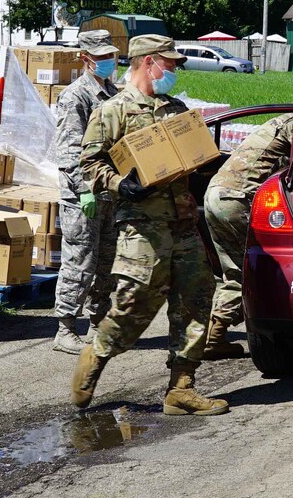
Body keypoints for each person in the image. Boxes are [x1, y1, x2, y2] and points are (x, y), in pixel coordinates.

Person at [71, 34, 228, 416]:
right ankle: (95, 359)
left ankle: (181, 389)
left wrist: (210, 161)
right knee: (132, 304)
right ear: (148, 62)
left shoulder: (175, 109)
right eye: (169, 64)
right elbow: (89, 164)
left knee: (196, 301)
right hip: (142, 226)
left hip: (184, 223)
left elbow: (192, 155)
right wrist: (119, 184)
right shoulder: (114, 110)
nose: (173, 70)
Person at [202, 113, 293, 360]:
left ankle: (215, 335)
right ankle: (216, 333)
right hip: (237, 200)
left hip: (215, 195)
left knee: (232, 269)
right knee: (250, 271)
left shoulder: (278, 123)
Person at [51, 30, 121, 353]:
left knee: (107, 261)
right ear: (85, 58)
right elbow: (68, 151)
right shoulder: (75, 96)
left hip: (109, 192)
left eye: (111, 56)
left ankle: (98, 322)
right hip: (83, 197)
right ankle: (65, 328)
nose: (108, 61)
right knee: (80, 260)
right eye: (102, 57)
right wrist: (84, 190)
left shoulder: (113, 93)